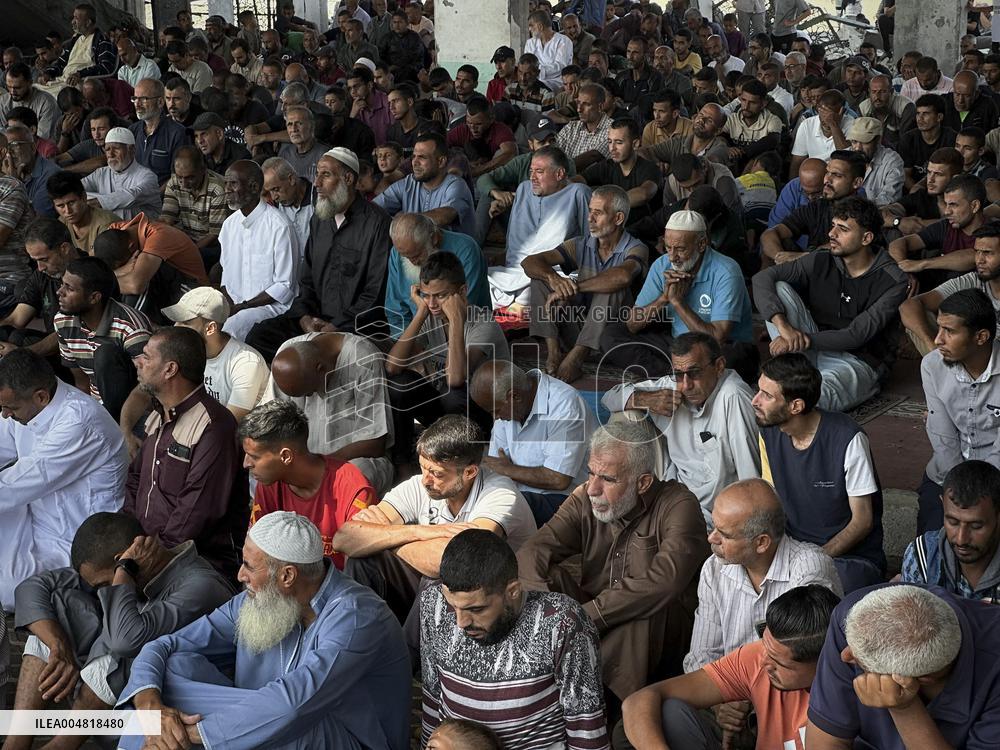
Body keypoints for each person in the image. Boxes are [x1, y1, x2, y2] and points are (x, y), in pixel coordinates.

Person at [116, 511, 412, 750]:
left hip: (338, 737)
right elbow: (163, 645)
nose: (239, 575)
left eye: (248, 566)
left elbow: (294, 704)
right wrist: (150, 707)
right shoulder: (257, 600)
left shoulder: (357, 616)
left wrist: (189, 735)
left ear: (287, 576)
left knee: (286, 724)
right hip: (266, 723)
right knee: (172, 668)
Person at [3, 513, 234, 750]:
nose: (105, 590)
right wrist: (57, 645)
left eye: (105, 584)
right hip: (101, 705)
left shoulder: (200, 586)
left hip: (161, 717)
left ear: (124, 558)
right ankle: (15, 743)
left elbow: (125, 642)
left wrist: (125, 570)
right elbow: (31, 588)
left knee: (127, 646)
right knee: (59, 605)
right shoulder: (112, 570)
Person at [515, 420, 707, 700]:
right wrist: (556, 621)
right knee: (548, 576)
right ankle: (553, 667)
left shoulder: (678, 505)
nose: (593, 488)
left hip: (656, 634)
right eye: (591, 473)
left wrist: (582, 617)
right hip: (590, 620)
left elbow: (664, 582)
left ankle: (602, 702)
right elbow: (532, 551)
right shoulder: (584, 497)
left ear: (643, 483)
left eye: (607, 479)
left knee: (644, 610)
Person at [335, 416, 536, 640]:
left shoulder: (500, 495)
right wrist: (418, 531)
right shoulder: (419, 486)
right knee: (363, 561)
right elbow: (344, 538)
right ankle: (355, 641)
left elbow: (460, 562)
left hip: (496, 599)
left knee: (439, 579)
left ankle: (411, 655)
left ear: (470, 472)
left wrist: (385, 539)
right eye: (423, 468)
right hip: (450, 591)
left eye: (437, 474)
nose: (426, 480)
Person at [420, 529, 608, 748]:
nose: (461, 622)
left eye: (476, 609)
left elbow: (585, 725)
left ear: (513, 591)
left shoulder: (561, 622)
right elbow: (432, 697)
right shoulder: (433, 604)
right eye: (452, 606)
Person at [622, 585, 841, 750]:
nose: (765, 663)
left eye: (779, 662)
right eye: (765, 645)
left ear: (824, 662)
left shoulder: (850, 694)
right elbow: (639, 701)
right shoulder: (758, 656)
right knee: (665, 714)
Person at [0, 349, 127, 610]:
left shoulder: (79, 421)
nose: (4, 415)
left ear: (41, 397)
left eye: (10, 408)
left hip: (71, 538)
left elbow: (17, 483)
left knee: (10, 592)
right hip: (32, 516)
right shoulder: (26, 406)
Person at [755, 196, 908, 411]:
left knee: (807, 402)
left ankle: (795, 381)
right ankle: (795, 372)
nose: (831, 234)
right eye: (833, 225)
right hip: (809, 349)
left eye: (843, 229)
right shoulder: (821, 258)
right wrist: (784, 327)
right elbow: (762, 278)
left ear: (866, 238)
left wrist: (800, 339)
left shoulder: (893, 280)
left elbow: (856, 335)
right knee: (778, 287)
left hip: (857, 361)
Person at [684, 478, 842, 683]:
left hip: (788, 694)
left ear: (761, 543)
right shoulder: (713, 569)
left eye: (724, 535)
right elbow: (703, 654)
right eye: (714, 527)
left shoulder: (809, 569)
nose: (711, 538)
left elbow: (807, 667)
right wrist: (719, 695)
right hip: (728, 690)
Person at [805, 584, 1000, 749]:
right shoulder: (854, 618)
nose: (845, 655)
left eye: (860, 660)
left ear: (923, 679)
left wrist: (905, 709)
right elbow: (824, 742)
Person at [753, 353, 886, 593]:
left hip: (848, 558)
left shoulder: (847, 438)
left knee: (818, 592)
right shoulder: (769, 432)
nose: (755, 400)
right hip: (792, 551)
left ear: (796, 406)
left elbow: (862, 521)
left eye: (767, 395)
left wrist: (813, 560)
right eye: (758, 390)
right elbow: (770, 500)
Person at [124, 326, 249, 580]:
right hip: (147, 553)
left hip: (198, 565)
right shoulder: (158, 415)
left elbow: (197, 513)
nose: (138, 362)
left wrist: (149, 558)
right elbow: (135, 479)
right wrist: (128, 537)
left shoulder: (214, 426)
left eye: (146, 356)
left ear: (170, 369)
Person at [246, 148, 391, 360]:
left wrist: (336, 326)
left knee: (313, 357)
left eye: (326, 175)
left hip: (353, 326)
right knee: (259, 336)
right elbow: (307, 281)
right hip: (314, 320)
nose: (316, 183)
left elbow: (374, 293)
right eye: (317, 174)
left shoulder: (378, 224)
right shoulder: (320, 219)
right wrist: (304, 317)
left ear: (348, 179)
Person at [602, 332, 760, 525]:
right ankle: (626, 502)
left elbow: (751, 477)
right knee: (626, 416)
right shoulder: (672, 386)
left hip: (717, 510)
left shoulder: (733, 397)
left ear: (719, 366)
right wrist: (645, 399)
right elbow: (609, 398)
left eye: (695, 372)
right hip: (673, 490)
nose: (686, 385)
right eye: (678, 374)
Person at [600, 210, 753, 378]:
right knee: (611, 336)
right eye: (668, 248)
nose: (673, 257)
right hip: (679, 344)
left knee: (731, 359)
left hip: (720, 348)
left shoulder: (726, 271)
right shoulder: (662, 265)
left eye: (680, 249)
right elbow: (632, 325)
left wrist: (678, 302)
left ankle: (684, 374)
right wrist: (663, 299)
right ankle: (674, 375)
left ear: (701, 244)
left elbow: (717, 339)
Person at [385, 251, 509, 454]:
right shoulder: (430, 316)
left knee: (452, 394)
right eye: (426, 296)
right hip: (446, 412)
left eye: (441, 296)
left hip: (483, 415)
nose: (432, 304)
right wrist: (420, 314)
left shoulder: (483, 324)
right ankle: (402, 460)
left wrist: (456, 320)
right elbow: (392, 366)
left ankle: (460, 456)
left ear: (462, 291)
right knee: (399, 384)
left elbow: (456, 379)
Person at [522, 184, 648, 382]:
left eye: (598, 213)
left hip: (612, 335)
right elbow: (529, 262)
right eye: (590, 211)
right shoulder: (581, 244)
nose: (590, 218)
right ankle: (554, 352)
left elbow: (622, 276)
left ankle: (576, 358)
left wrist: (573, 288)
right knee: (540, 279)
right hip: (579, 328)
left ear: (618, 218)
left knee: (613, 286)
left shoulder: (636, 247)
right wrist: (555, 280)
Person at [241, 401, 375, 570]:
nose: (246, 463)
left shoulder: (352, 488)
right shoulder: (269, 483)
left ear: (286, 456)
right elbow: (255, 556)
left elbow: (358, 570)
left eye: (254, 456)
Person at [263, 329, 395, 496]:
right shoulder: (286, 355)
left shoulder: (362, 358)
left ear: (320, 368)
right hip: (302, 463)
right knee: (264, 471)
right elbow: (272, 422)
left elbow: (375, 443)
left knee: (355, 476)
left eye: (309, 392)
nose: (308, 397)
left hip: (350, 461)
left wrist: (318, 464)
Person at [470, 360, 597, 526]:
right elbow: (496, 465)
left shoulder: (565, 406)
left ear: (514, 396)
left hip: (567, 500)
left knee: (499, 510)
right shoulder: (508, 407)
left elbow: (558, 479)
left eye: (496, 410)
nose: (495, 417)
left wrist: (507, 469)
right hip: (520, 494)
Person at [916, 288, 1000, 534]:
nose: (937, 340)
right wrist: (956, 490)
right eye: (939, 328)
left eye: (949, 331)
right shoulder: (932, 365)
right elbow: (943, 438)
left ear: (981, 337)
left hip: (996, 478)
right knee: (931, 542)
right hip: (947, 477)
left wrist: (976, 493)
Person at [488, 145, 591, 316]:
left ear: (559, 174)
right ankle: (519, 306)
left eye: (539, 172)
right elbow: (514, 239)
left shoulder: (578, 193)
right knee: (477, 279)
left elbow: (591, 241)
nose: (532, 177)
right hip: (513, 272)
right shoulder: (523, 189)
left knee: (538, 290)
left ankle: (517, 306)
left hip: (552, 272)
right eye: (531, 171)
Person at [54, 257, 151, 422]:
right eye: (62, 284)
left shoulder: (130, 327)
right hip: (97, 408)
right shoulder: (63, 321)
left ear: (94, 298)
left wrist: (124, 425)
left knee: (105, 353)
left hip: (134, 410)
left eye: (69, 288)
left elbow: (149, 385)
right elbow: (81, 381)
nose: (59, 292)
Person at [219, 160, 299, 341]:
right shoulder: (229, 226)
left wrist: (242, 307)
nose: (227, 190)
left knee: (231, 330)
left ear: (254, 187)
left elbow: (284, 286)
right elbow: (226, 275)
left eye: (233, 184)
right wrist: (228, 305)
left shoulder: (280, 226)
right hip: (235, 307)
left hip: (271, 308)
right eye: (226, 184)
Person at [163, 287, 269, 421]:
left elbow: (229, 424)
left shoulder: (246, 363)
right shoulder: (189, 353)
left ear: (210, 328)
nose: (176, 327)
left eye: (185, 322)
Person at [902, 459, 1000, 599]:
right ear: (943, 504)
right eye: (953, 522)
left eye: (976, 526)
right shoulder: (923, 556)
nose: (961, 539)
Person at [900, 219, 1000, 356]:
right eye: (977, 252)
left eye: (988, 253)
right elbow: (908, 306)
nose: (979, 260)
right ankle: (943, 363)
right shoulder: (974, 280)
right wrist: (933, 348)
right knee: (918, 318)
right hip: (974, 354)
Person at [384, 212, 488, 337]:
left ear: (434, 239)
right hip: (416, 337)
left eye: (417, 255)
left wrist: (422, 314)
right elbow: (396, 311)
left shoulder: (466, 250)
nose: (413, 262)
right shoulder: (398, 253)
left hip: (465, 334)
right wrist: (405, 342)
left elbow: (460, 312)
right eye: (406, 257)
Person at [889, 174, 984, 291]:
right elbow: (898, 244)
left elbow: (974, 256)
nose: (947, 211)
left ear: (974, 206)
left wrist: (922, 264)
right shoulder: (947, 226)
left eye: (953, 205)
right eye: (946, 204)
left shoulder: (992, 230)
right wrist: (905, 273)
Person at [374, 131, 476, 237]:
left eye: (422, 157)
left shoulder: (456, 185)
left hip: (453, 248)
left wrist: (403, 222)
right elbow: (373, 209)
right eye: (414, 156)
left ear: (441, 162)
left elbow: (445, 215)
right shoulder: (408, 183)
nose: (414, 162)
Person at [159, 145, 229, 269]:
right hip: (186, 240)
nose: (184, 184)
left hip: (211, 246)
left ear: (203, 170)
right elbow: (167, 219)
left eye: (190, 178)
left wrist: (189, 252)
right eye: (180, 177)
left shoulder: (217, 189)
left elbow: (214, 235)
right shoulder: (174, 183)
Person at [81, 126, 161, 221]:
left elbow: (131, 196)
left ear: (131, 149)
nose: (111, 154)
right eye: (107, 149)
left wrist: (98, 201)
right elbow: (76, 189)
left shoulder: (148, 176)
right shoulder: (101, 173)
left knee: (123, 208)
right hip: (110, 228)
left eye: (116, 148)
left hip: (143, 229)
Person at [129, 78, 189, 186]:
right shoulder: (132, 131)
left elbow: (176, 177)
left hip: (161, 194)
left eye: (143, 99)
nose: (137, 104)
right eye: (135, 99)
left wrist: (154, 194)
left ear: (160, 102)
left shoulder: (177, 133)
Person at [899, 94, 957, 188]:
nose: (920, 118)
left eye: (925, 113)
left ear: (939, 117)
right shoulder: (908, 139)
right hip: (915, 191)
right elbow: (905, 174)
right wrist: (917, 192)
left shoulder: (952, 139)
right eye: (918, 113)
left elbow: (952, 174)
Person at [2, 124, 60, 218]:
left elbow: (37, 221)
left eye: (14, 145)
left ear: (33, 147)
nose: (8, 153)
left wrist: (14, 186)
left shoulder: (51, 176)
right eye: (5, 148)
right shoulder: (8, 170)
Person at [849, 117, 904, 208]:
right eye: (854, 141)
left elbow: (890, 198)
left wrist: (859, 207)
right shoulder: (846, 156)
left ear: (878, 140)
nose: (858, 148)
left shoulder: (892, 161)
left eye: (865, 142)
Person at [555, 83, 612, 164]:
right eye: (578, 103)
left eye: (586, 104)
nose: (579, 109)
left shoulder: (612, 130)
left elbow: (593, 157)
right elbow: (553, 152)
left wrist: (561, 168)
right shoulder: (571, 127)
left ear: (600, 107)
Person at [0, 63, 59, 142]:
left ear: (30, 83)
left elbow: (43, 138)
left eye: (17, 87)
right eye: (9, 87)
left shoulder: (47, 103)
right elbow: (4, 134)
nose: (12, 92)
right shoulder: (3, 101)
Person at [859, 73, 915, 150]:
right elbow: (860, 138)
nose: (877, 97)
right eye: (874, 92)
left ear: (891, 91)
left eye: (883, 92)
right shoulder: (863, 108)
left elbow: (906, 143)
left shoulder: (905, 107)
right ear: (869, 92)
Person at [277, 106, 326, 184]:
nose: (294, 129)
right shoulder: (285, 154)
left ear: (312, 126)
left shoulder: (325, 155)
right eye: (290, 124)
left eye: (299, 123)